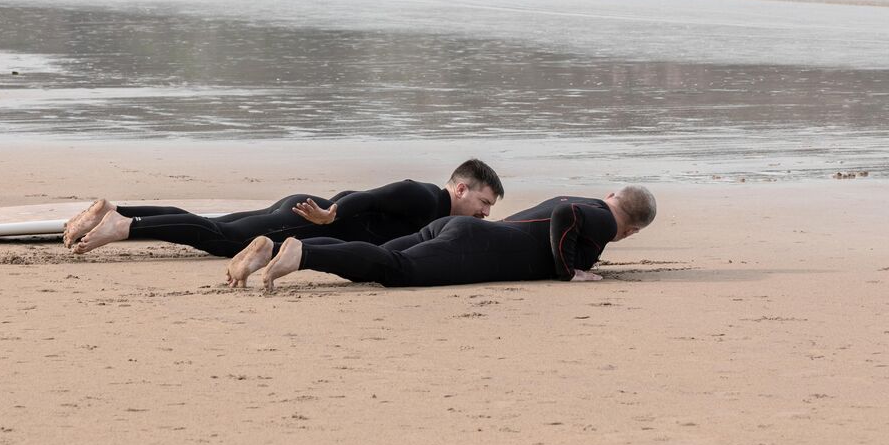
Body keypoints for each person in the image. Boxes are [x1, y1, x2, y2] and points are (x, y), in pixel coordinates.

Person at [239, 185, 656, 291]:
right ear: (632, 230)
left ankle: (272, 250)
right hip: (476, 246)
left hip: (463, 231)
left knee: (376, 256)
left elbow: (563, 212)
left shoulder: (585, 200)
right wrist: (570, 271)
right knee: (398, 271)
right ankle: (304, 254)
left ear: (611, 194)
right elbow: (568, 218)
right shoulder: (605, 221)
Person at [64, 158, 504, 259]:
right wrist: (332, 215)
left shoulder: (436, 210)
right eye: (483, 202)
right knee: (223, 240)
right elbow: (371, 197)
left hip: (303, 211)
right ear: (461, 188)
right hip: (309, 219)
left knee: (211, 224)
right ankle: (124, 226)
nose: (485, 212)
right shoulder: (426, 197)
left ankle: (116, 209)